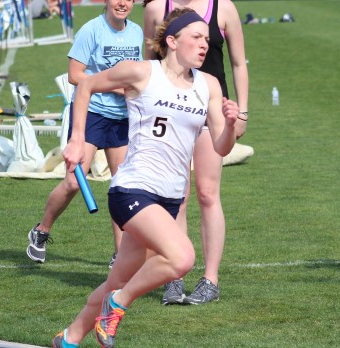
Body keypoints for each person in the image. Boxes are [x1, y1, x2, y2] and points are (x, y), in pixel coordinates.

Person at [50, 9, 238, 347]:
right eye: (196, 37)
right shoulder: (141, 72)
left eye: (207, 40)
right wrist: (77, 139)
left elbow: (222, 146)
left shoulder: (208, 85)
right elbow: (86, 85)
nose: (204, 45)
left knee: (115, 280)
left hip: (169, 198)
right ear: (172, 40)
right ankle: (119, 303)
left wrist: (232, 124)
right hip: (132, 189)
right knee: (181, 259)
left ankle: (69, 337)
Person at [143, 0, 248, 305]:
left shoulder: (223, 7)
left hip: (210, 111)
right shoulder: (155, 9)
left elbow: (239, 63)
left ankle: (210, 281)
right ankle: (173, 277)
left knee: (207, 193)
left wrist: (242, 112)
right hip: (171, 113)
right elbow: (149, 63)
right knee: (178, 195)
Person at [26, 0, 143, 267]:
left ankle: (120, 255)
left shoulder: (137, 32)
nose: (122, 3)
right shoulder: (91, 30)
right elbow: (74, 75)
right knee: (73, 182)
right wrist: (113, 87)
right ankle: (41, 230)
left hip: (123, 119)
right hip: (91, 115)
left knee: (122, 187)